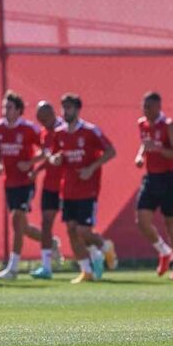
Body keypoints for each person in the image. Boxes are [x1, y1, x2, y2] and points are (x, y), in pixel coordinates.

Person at [29, 102, 117, 279]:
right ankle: (53, 267)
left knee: (81, 231)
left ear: (54, 114)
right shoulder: (50, 133)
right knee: (58, 226)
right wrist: (41, 167)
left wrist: (91, 168)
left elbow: (109, 151)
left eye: (45, 118)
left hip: (81, 187)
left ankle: (100, 252)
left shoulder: (78, 130)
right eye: (40, 119)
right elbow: (52, 156)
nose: (43, 122)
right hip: (59, 186)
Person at [133, 92, 173, 280]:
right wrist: (140, 156)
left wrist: (158, 149)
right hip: (151, 177)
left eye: (148, 107)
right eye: (143, 106)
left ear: (158, 107)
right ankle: (164, 251)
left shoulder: (169, 125)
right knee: (141, 219)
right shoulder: (142, 124)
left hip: (169, 178)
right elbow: (145, 144)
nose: (145, 110)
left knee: (170, 222)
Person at [0, 90, 44, 279]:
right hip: (9, 182)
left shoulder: (29, 129)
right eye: (4, 107)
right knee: (21, 226)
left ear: (19, 110)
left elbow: (47, 150)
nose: (5, 110)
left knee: (17, 219)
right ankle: (51, 243)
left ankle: (13, 268)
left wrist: (30, 163)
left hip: (25, 181)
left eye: (10, 107)